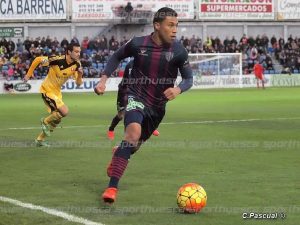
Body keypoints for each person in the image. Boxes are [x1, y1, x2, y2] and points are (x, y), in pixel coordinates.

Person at [94, 7, 193, 203]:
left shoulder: (179, 51)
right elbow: (116, 56)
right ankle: (112, 188)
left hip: (157, 108)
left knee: (133, 146)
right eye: (170, 25)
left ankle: (119, 153)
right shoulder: (138, 44)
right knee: (132, 134)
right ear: (157, 25)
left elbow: (189, 79)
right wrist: (103, 79)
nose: (175, 30)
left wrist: (178, 89)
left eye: (177, 26)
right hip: (136, 96)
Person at [24, 43, 83, 147]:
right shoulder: (57, 59)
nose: (79, 54)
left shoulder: (77, 65)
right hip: (47, 90)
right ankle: (45, 121)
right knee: (64, 111)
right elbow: (38, 59)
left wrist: (80, 75)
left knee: (57, 119)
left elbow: (78, 84)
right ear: (69, 52)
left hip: (57, 93)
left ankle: (39, 140)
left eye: (79, 51)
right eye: (76, 51)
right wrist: (28, 75)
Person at [107, 60, 159, 140]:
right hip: (125, 91)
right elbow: (126, 80)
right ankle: (111, 129)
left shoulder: (147, 63)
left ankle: (151, 129)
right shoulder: (130, 65)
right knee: (121, 115)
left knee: (145, 109)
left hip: (139, 91)